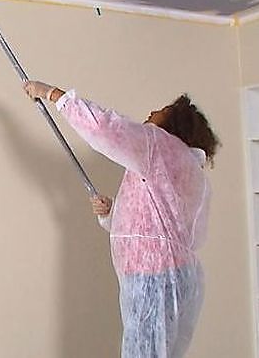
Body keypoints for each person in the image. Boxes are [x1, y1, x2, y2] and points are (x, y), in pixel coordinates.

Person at [22, 80, 218, 358]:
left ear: (175, 125)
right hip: (178, 276)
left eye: (162, 111)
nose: (152, 113)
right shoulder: (187, 167)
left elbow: (104, 128)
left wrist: (53, 95)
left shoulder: (158, 146)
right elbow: (161, 226)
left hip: (152, 277)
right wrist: (113, 213)